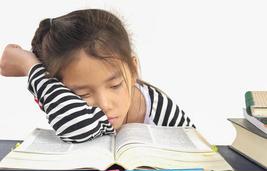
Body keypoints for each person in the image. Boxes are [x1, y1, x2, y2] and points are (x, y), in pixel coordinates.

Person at [0, 9, 195, 143]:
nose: (105, 104)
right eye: (82, 94)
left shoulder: (159, 109)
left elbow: (199, 154)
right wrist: (32, 67)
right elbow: (75, 126)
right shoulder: (62, 99)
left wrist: (29, 65)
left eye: (115, 85)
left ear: (133, 70)